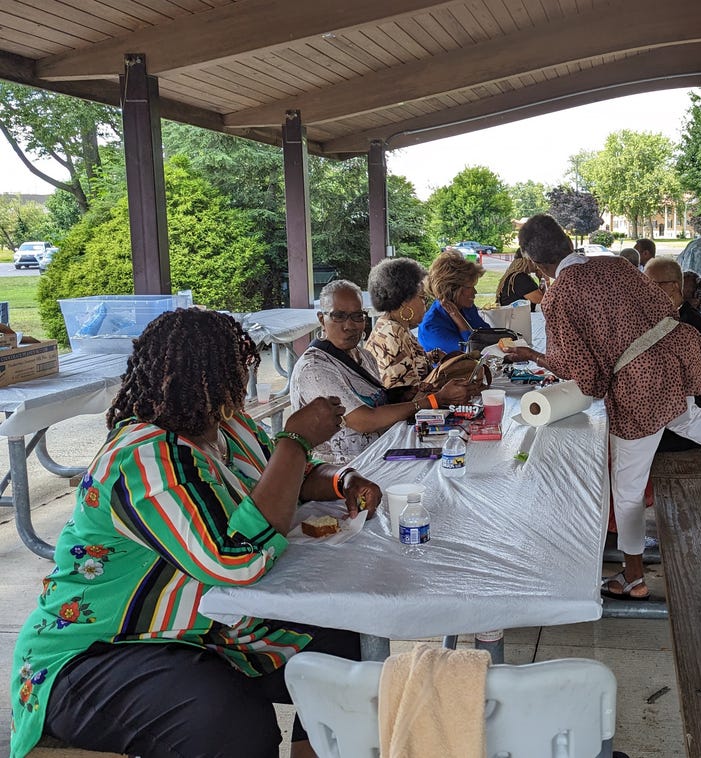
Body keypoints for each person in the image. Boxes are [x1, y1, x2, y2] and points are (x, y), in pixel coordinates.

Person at [9, 309, 383, 758]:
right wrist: (295, 440)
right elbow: (235, 561)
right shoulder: (144, 457)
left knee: (341, 644)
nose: (244, 380)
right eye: (236, 369)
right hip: (98, 653)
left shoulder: (228, 427)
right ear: (204, 377)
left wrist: (342, 480)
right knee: (231, 719)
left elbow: (287, 480)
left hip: (200, 630)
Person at [503, 214, 701, 600]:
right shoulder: (616, 264)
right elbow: (662, 302)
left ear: (536, 264)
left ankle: (633, 577)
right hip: (674, 352)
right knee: (687, 417)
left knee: (627, 487)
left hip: (639, 384)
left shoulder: (559, 297)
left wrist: (536, 355)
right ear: (568, 243)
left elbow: (583, 374)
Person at [291, 280, 477, 463]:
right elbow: (364, 420)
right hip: (345, 470)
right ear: (322, 319)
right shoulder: (315, 368)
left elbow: (374, 403)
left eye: (357, 316)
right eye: (338, 316)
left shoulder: (362, 356)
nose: (349, 325)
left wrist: (401, 396)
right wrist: (434, 400)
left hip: (381, 452)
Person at [645, 257, 701, 453]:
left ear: (674, 287)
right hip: (669, 418)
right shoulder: (670, 316)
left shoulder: (688, 324)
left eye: (651, 284)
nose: (645, 290)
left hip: (679, 430)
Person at [364, 257, 445, 388]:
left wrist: (431, 356)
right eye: (423, 298)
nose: (425, 304)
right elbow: (408, 394)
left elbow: (410, 362)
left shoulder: (396, 326)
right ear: (405, 301)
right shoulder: (391, 334)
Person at [418, 250, 492, 354]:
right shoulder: (432, 326)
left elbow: (489, 336)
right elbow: (472, 353)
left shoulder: (466, 308)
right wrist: (459, 320)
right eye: (469, 287)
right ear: (452, 289)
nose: (475, 292)